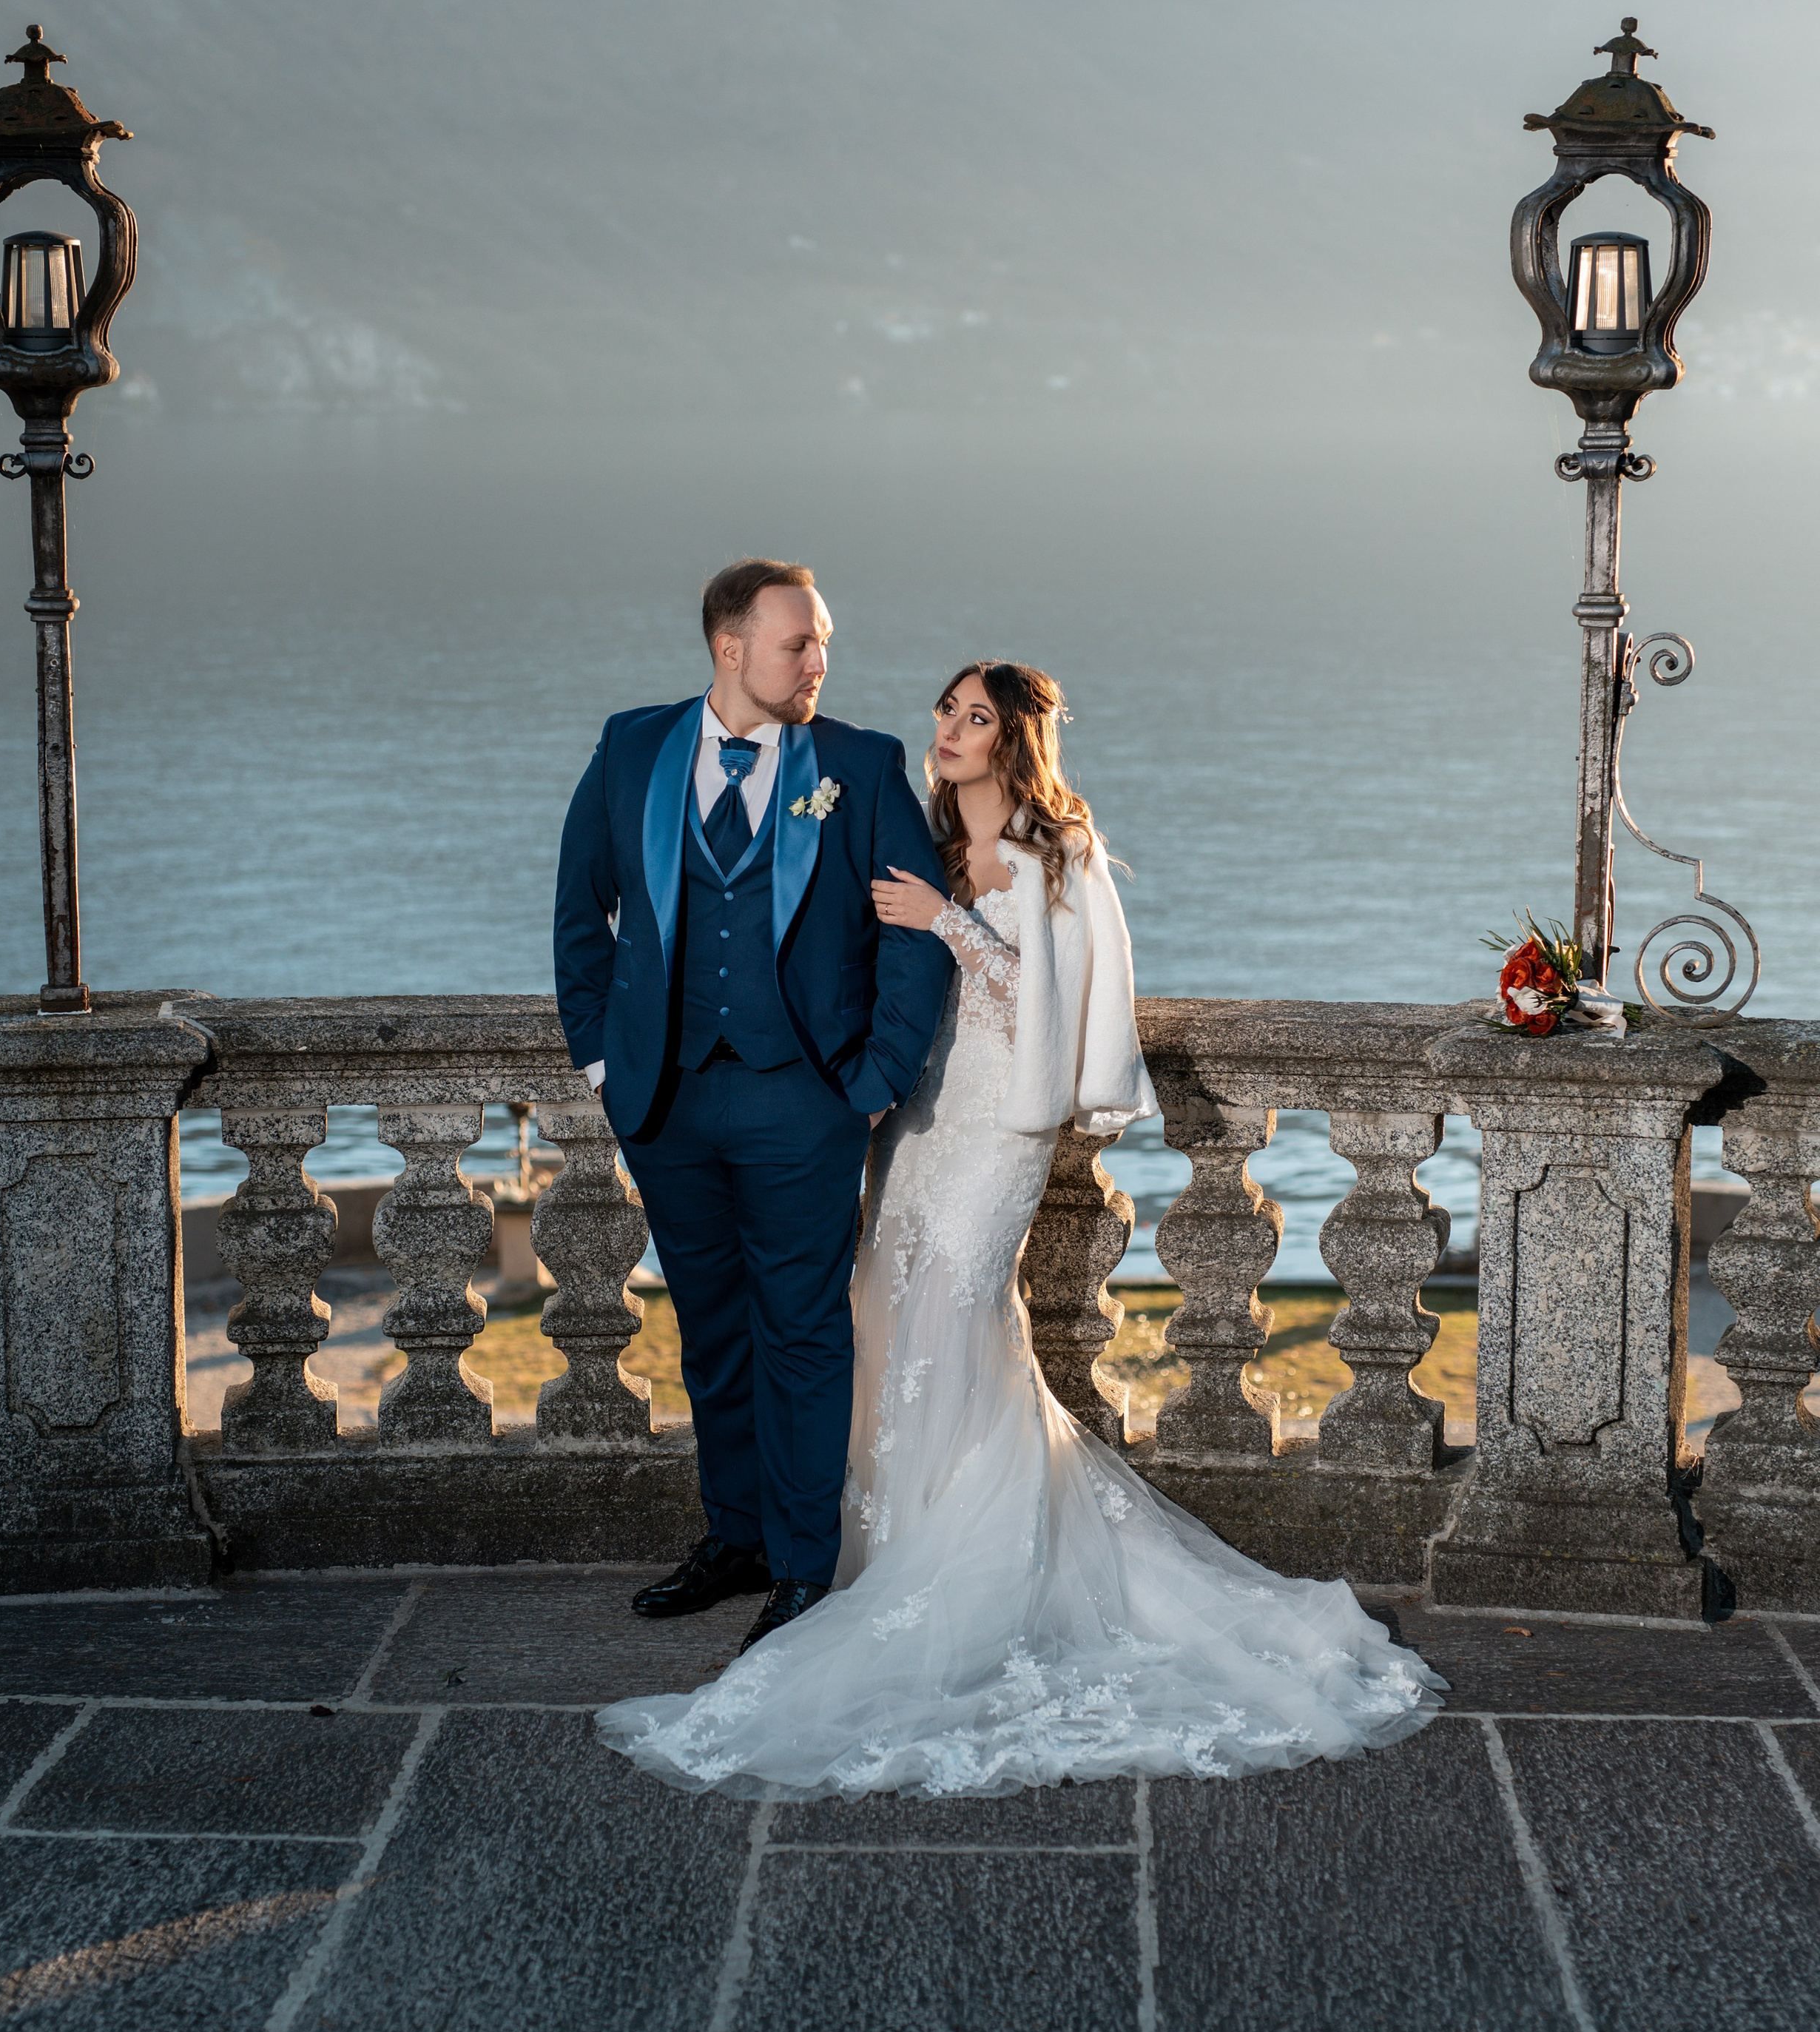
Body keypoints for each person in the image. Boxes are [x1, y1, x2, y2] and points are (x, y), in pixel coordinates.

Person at [598, 659, 1444, 1797]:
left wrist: (948, 922)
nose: (947, 729)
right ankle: (889, 1540)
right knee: (882, 1316)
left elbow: (1054, 1004)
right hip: (917, 1120)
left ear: (1016, 741)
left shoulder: (1058, 858)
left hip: (999, 1133)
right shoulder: (927, 843)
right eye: (946, 710)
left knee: (954, 1311)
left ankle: (961, 1561)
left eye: (974, 717)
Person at [552, 559, 951, 1647]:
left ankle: (804, 1566)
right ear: (730, 649)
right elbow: (581, 919)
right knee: (712, 1333)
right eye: (797, 645)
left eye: (823, 642)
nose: (819, 662)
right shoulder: (633, 747)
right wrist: (603, 1065)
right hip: (667, 1105)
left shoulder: (861, 767)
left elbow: (921, 939)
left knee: (806, 1335)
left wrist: (871, 1083)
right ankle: (733, 1537)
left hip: (805, 1104)